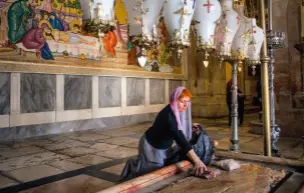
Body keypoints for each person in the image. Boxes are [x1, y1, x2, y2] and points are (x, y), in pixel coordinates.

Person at [120, 87, 213, 181]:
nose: (185, 105)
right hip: (151, 145)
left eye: (187, 101)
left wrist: (190, 126)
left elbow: (178, 125)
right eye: (182, 101)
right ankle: (132, 165)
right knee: (149, 173)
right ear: (174, 100)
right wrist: (197, 161)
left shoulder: (175, 109)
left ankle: (139, 163)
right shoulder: (169, 117)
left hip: (162, 145)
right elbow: (181, 140)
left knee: (159, 169)